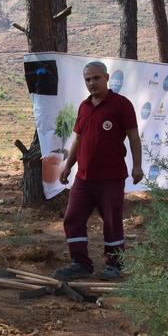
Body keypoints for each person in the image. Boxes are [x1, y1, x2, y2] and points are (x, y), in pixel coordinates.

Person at [54, 60, 144, 281]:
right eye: (88, 80)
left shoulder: (121, 104)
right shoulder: (84, 107)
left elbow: (133, 136)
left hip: (111, 178)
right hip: (83, 179)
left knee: (112, 222)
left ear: (106, 78)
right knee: (72, 218)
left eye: (96, 78)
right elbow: (77, 139)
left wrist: (137, 165)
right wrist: (68, 166)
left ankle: (114, 266)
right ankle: (80, 263)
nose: (92, 83)